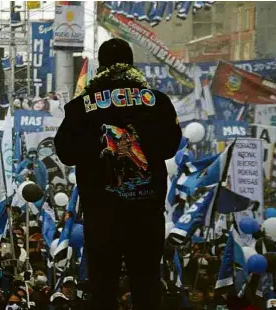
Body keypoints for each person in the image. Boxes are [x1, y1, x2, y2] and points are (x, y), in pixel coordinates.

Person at [54, 38, 182, 309]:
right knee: (147, 282)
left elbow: (65, 153)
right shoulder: (157, 103)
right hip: (146, 210)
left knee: (102, 284)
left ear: (101, 66)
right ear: (132, 64)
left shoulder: (80, 107)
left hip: (102, 214)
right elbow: (171, 147)